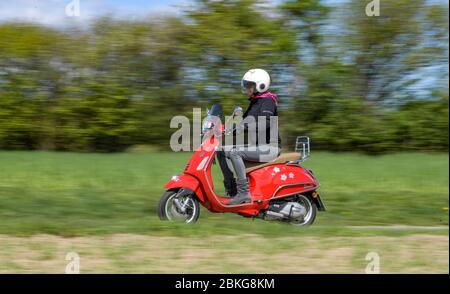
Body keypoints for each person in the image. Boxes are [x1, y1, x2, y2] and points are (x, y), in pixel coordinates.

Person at [217, 68, 281, 205]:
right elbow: (243, 123)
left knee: (235, 153)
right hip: (258, 146)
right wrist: (223, 129)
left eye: (249, 86)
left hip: (270, 147)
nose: (246, 88)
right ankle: (232, 189)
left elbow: (266, 122)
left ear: (260, 85)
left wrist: (243, 127)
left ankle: (243, 193)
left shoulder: (268, 101)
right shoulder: (255, 102)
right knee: (221, 150)